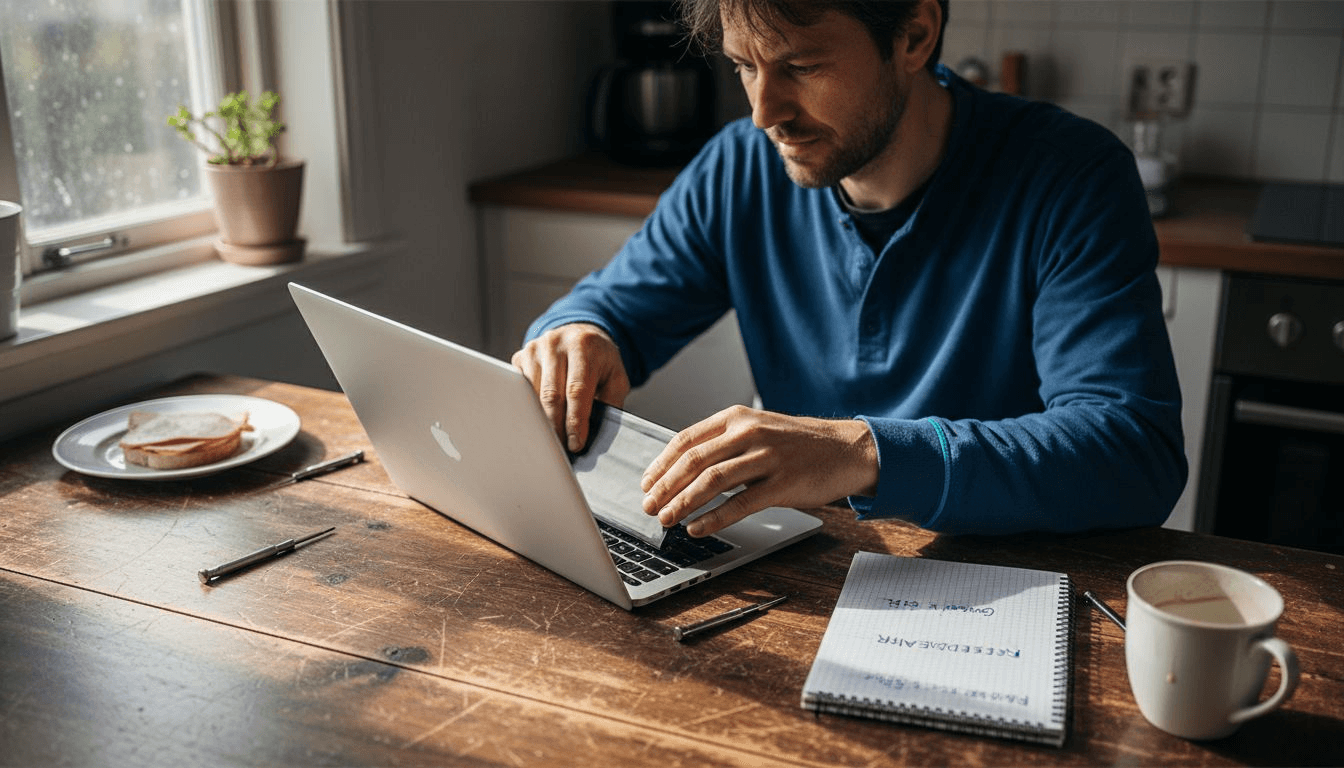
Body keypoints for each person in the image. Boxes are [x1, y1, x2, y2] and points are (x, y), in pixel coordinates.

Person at [512, 0, 1186, 540]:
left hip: (1006, 589)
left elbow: (1133, 452)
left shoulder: (1071, 175)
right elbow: (615, 308)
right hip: (812, 571)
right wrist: (580, 333)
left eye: (801, 66)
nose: (763, 113)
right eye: (744, 67)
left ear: (915, 36)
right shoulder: (737, 167)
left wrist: (865, 455)